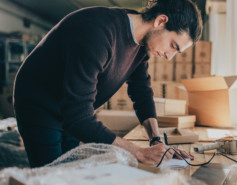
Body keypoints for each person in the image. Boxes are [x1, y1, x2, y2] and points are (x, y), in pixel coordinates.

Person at [13, 0, 203, 168]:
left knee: (68, 170)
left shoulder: (142, 43)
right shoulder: (99, 32)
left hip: (70, 108)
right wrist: (138, 152)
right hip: (39, 105)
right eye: (173, 46)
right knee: (50, 176)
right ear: (160, 21)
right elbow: (78, 118)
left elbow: (141, 92)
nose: (170, 57)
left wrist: (156, 141)